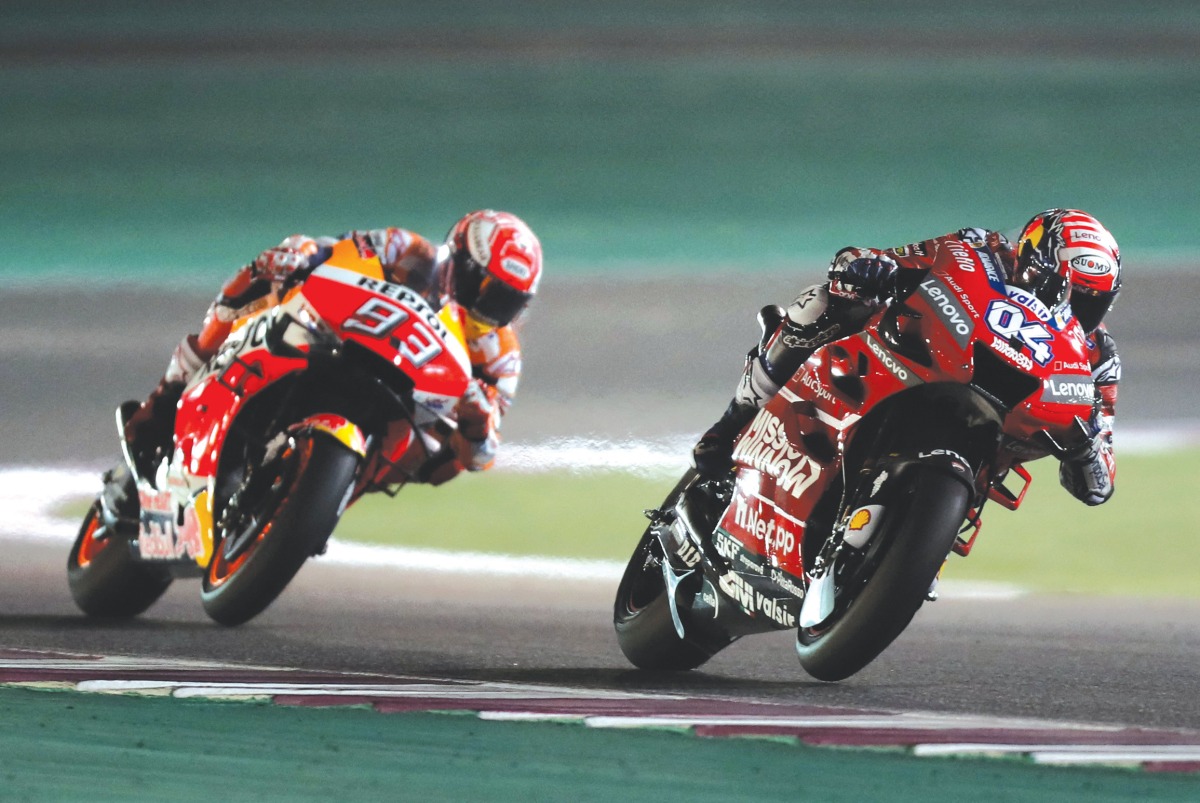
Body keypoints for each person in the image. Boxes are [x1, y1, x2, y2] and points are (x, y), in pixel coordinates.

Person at [692, 208, 1121, 506]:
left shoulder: (1097, 357)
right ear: (1032, 258)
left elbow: (1099, 482)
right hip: (921, 359)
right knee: (823, 302)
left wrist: (1085, 450)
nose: (1079, 311)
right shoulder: (980, 247)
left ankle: (913, 547)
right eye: (1071, 292)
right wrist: (870, 268)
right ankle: (732, 421)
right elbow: (870, 258)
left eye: (1093, 302)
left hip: (985, 441)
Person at [124, 209, 542, 485]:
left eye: (504, 303)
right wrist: (304, 255)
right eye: (483, 291)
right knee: (274, 264)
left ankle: (326, 491)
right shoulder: (407, 250)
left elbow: (482, 454)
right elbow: (333, 251)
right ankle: (169, 393)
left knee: (443, 459)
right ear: (459, 262)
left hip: (399, 409)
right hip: (340, 340)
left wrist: (476, 424)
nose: (487, 310)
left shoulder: (500, 356)